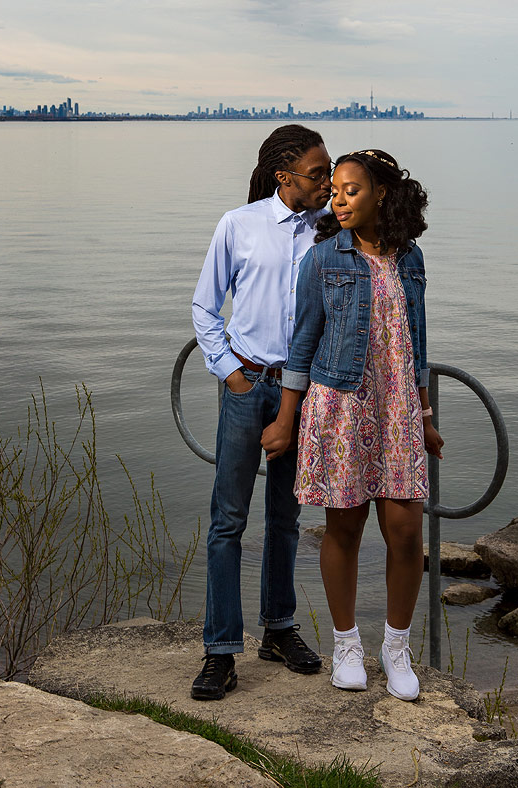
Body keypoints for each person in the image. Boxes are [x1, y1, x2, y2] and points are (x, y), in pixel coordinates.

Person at [261, 148, 443, 702]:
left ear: (381, 194)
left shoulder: (410, 259)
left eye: (351, 190)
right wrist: (286, 418)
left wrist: (426, 414)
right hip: (340, 406)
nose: (337, 200)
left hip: (398, 412)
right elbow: (303, 343)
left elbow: (417, 345)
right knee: (344, 527)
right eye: (334, 190)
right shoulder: (323, 261)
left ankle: (396, 647)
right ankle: (346, 644)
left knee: (406, 530)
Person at [190, 125, 332, 700]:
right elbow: (205, 304)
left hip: (304, 395)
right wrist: (234, 377)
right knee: (228, 521)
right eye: (318, 173)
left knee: (286, 519)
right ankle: (221, 650)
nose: (328, 182)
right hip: (250, 389)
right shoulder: (239, 225)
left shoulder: (331, 232)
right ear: (284, 176)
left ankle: (278, 628)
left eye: (329, 172)